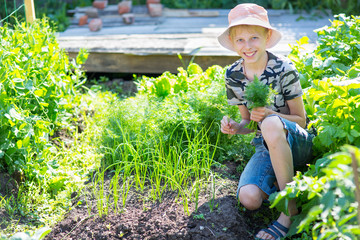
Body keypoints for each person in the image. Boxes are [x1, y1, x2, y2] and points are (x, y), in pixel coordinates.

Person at [217, 3, 313, 240]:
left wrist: (271, 114)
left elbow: (301, 120)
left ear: (267, 36)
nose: (247, 46)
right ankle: (297, 185)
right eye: (239, 40)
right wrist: (234, 127)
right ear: (232, 41)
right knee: (248, 199)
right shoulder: (233, 75)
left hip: (297, 142)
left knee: (270, 123)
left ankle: (289, 211)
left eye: (254, 38)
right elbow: (249, 123)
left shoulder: (284, 69)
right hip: (265, 145)